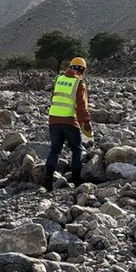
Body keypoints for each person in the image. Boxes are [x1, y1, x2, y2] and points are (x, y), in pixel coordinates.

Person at [42, 56, 92, 191]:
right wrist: (86, 122)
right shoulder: (79, 83)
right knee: (77, 149)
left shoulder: (59, 79)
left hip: (53, 120)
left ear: (70, 67)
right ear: (82, 70)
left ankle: (48, 179)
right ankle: (76, 181)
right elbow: (81, 106)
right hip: (70, 121)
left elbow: (54, 98)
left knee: (55, 150)